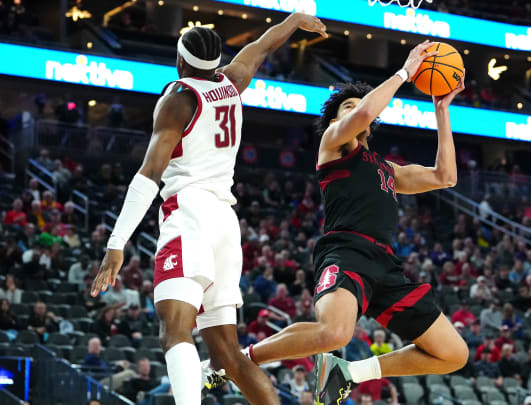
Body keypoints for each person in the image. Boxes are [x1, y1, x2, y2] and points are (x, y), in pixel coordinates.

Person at [90, 13, 328, 405]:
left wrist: (116, 243)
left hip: (190, 218)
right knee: (228, 356)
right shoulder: (232, 82)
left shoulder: (177, 100)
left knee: (175, 332)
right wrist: (295, 20)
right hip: (224, 224)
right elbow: (263, 46)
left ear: (181, 62)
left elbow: (150, 173)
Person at [228, 40, 468, 404]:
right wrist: (404, 72)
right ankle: (239, 361)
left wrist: (441, 110)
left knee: (453, 354)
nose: (357, 111)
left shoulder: (387, 170)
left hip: (385, 267)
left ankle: (349, 372)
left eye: (359, 105)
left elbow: (444, 177)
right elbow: (361, 115)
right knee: (334, 333)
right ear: (339, 118)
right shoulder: (333, 143)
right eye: (349, 106)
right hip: (346, 250)